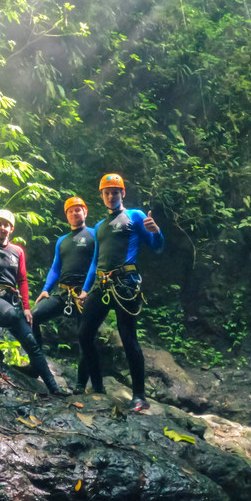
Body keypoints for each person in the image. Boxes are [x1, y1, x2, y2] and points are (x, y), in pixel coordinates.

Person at [76, 173, 164, 412]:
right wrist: (85, 290)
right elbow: (95, 261)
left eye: (115, 191)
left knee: (128, 337)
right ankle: (98, 387)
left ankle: (139, 396)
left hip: (126, 283)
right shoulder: (100, 227)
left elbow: (156, 247)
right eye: (106, 192)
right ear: (102, 196)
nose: (111, 195)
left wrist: (156, 232)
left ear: (122, 193)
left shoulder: (134, 216)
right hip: (102, 285)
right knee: (84, 334)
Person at [0, 209, 67, 395]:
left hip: (11, 304)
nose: (2, 228)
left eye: (5, 225)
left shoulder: (18, 251)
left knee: (32, 343)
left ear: (11, 229)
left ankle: (54, 388)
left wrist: (26, 308)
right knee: (13, 316)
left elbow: (22, 280)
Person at [31, 196, 95, 348]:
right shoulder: (62, 241)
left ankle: (85, 373)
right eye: (70, 211)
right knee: (33, 317)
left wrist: (87, 290)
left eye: (77, 210)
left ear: (85, 212)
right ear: (66, 216)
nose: (74, 214)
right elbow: (55, 267)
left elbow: (97, 262)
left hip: (85, 294)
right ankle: (37, 365)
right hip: (63, 292)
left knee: (85, 337)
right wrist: (46, 289)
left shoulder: (94, 234)